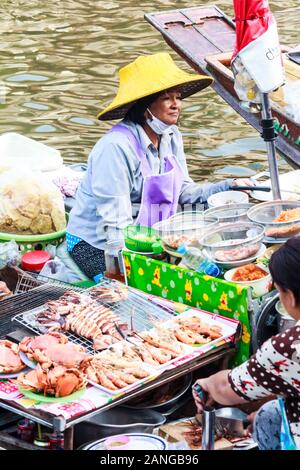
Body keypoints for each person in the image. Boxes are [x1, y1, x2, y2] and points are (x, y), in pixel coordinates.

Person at [67, 52, 253, 279]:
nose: (176, 105)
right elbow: (117, 225)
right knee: (139, 291)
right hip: (97, 243)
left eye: (178, 98)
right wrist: (126, 272)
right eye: (167, 98)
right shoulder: (115, 148)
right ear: (144, 106)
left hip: (149, 234)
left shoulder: (171, 135)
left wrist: (227, 187)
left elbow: (183, 191)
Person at [193, 236, 300, 450]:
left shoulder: (289, 347)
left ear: (291, 295)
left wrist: (207, 384)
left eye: (279, 291)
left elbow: (226, 388)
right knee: (269, 411)